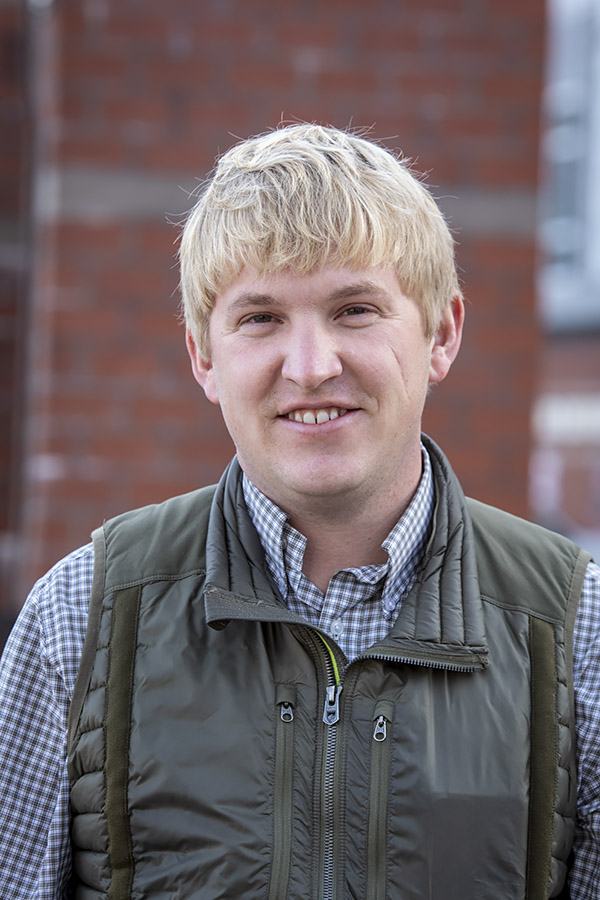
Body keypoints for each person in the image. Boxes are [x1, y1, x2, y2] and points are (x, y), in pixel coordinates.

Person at [0, 124, 598, 900]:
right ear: (203, 357)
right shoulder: (80, 618)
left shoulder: (576, 630)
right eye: (261, 318)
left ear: (442, 334)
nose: (312, 368)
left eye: (354, 310)